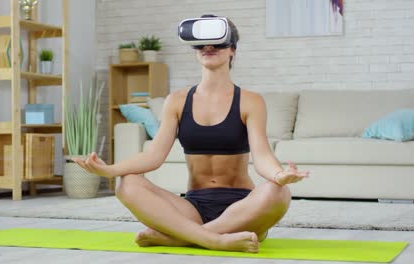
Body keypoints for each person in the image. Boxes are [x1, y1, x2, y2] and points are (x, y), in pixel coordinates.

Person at [74, 16, 309, 253]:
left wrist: (279, 175)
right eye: (201, 44)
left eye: (217, 43)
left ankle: (181, 237)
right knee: (127, 184)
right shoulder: (176, 101)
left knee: (279, 192)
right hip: (193, 208)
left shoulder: (250, 101)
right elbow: (154, 156)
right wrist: (110, 170)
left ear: (232, 51)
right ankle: (214, 239)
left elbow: (262, 156)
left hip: (243, 207)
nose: (208, 48)